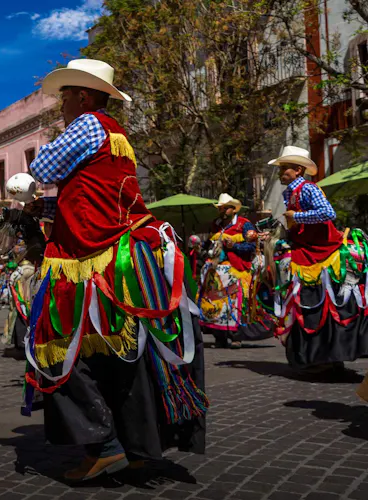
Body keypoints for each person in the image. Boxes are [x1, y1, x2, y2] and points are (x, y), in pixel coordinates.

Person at [24, 59, 207, 481]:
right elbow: (95, 197)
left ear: (84, 96)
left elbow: (42, 169)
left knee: (58, 345)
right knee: (120, 357)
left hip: (95, 262)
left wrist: (35, 187)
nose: (62, 105)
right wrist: (48, 207)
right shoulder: (114, 134)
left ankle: (104, 445)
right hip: (121, 250)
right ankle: (136, 445)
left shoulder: (88, 124)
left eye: (66, 95)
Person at [269, 146, 368, 373]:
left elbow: (328, 213)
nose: (281, 172)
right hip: (305, 251)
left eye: (285, 168)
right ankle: (317, 356)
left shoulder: (310, 188)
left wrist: (298, 216)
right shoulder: (288, 194)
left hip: (325, 253)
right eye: (281, 168)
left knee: (330, 300)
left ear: (298, 170)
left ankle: (332, 356)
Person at [199, 194, 273, 349]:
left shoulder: (244, 224)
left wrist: (234, 246)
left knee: (235, 305)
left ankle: (236, 337)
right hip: (216, 271)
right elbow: (209, 244)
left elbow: (252, 246)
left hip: (236, 269)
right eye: (220, 207)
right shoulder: (216, 224)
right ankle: (219, 337)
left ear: (233, 209)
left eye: (225, 207)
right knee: (215, 303)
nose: (222, 210)